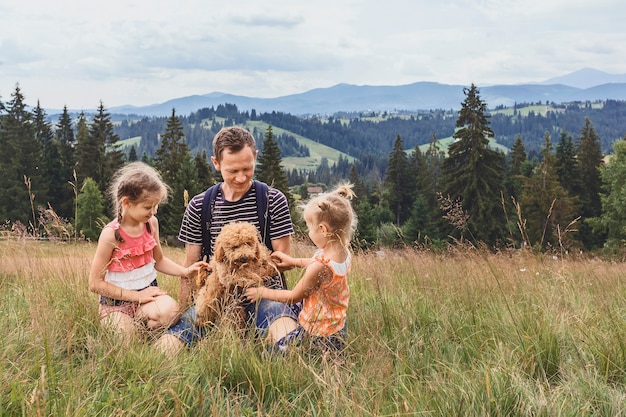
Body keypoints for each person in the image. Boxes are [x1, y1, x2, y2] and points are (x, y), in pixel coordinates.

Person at [156, 126, 299, 354]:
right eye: (232, 171)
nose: (241, 177)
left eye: (247, 168)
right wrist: (184, 311)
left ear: (255, 157)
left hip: (264, 294)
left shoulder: (272, 200)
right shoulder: (200, 205)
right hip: (215, 296)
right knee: (168, 347)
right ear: (216, 163)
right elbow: (189, 269)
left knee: (287, 338)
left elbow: (281, 262)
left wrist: (242, 279)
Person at [88, 162, 209, 339]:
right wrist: (136, 296)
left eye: (156, 206)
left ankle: (141, 328)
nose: (153, 211)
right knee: (125, 338)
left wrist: (185, 271)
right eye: (147, 207)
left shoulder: (151, 224)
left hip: (147, 299)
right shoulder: (111, 235)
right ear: (127, 202)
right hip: (116, 304)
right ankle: (128, 329)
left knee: (172, 312)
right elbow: (95, 283)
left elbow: (158, 260)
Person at [244, 182, 357, 353]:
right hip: (336, 324)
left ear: (322, 229)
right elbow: (318, 263)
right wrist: (293, 261)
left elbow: (293, 296)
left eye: (309, 227)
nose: (308, 232)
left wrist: (262, 292)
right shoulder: (342, 251)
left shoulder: (320, 267)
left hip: (317, 331)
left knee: (275, 352)